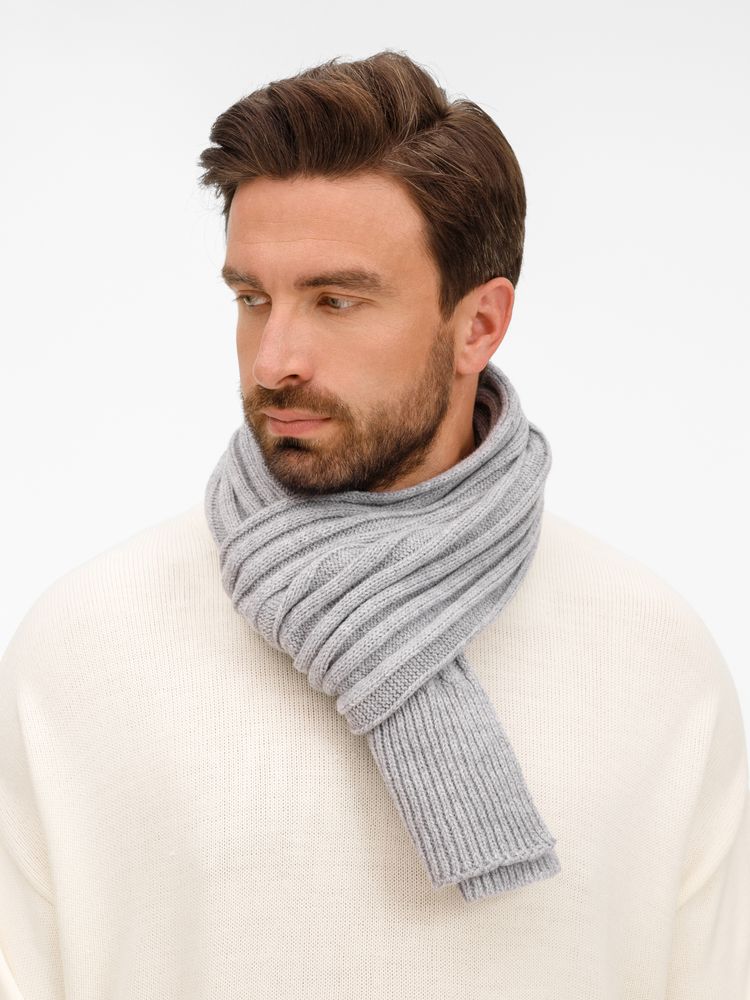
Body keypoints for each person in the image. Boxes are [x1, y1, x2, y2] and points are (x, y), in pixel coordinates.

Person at [1, 49, 747, 999]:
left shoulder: (653, 659)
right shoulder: (83, 651)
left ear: (479, 325)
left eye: (337, 301)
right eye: (252, 298)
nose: (274, 359)